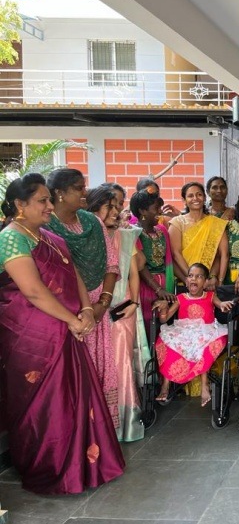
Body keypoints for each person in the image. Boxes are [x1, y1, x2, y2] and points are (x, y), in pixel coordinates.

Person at [0, 174, 125, 494]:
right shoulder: (11, 238)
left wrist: (87, 310)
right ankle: (51, 469)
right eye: (42, 200)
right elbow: (33, 290)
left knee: (73, 398)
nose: (49, 205)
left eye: (48, 199)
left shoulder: (48, 236)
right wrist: (73, 319)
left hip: (66, 329)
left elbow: (74, 275)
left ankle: (83, 467)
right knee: (46, 404)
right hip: (32, 339)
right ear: (20, 205)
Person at [46, 169, 121, 429]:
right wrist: (87, 309)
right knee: (74, 372)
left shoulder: (93, 222)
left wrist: (102, 304)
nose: (85, 192)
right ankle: (77, 431)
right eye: (79, 188)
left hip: (98, 307)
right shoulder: (46, 227)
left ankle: (100, 431)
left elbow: (112, 265)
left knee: (101, 367)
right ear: (59, 193)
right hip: (68, 312)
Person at [89, 185, 147, 442]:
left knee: (121, 364)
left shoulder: (125, 236)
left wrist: (134, 303)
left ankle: (124, 425)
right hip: (93, 311)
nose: (116, 211)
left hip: (122, 309)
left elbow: (134, 272)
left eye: (118, 206)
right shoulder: (86, 236)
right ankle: (98, 424)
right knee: (97, 366)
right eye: (110, 207)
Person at [154, 262, 234, 406]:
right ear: (186, 281)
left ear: (206, 282)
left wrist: (223, 305)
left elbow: (219, 304)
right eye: (191, 276)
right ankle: (165, 385)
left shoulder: (210, 296)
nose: (194, 279)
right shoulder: (181, 298)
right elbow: (164, 319)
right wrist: (164, 308)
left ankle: (204, 385)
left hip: (205, 330)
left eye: (199, 277)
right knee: (166, 343)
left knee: (203, 345)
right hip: (183, 332)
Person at [168, 181, 229, 293]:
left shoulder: (216, 223)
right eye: (190, 196)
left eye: (199, 194)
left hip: (209, 284)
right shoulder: (177, 223)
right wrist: (193, 279)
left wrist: (217, 279)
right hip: (184, 282)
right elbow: (175, 254)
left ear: (205, 197)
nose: (195, 198)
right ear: (184, 200)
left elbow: (221, 255)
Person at [132, 191, 176, 330]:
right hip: (144, 286)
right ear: (142, 211)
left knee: (164, 325)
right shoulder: (134, 233)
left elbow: (169, 260)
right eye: (156, 208)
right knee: (147, 324)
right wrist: (158, 289)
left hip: (166, 284)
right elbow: (140, 266)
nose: (160, 212)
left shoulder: (162, 230)